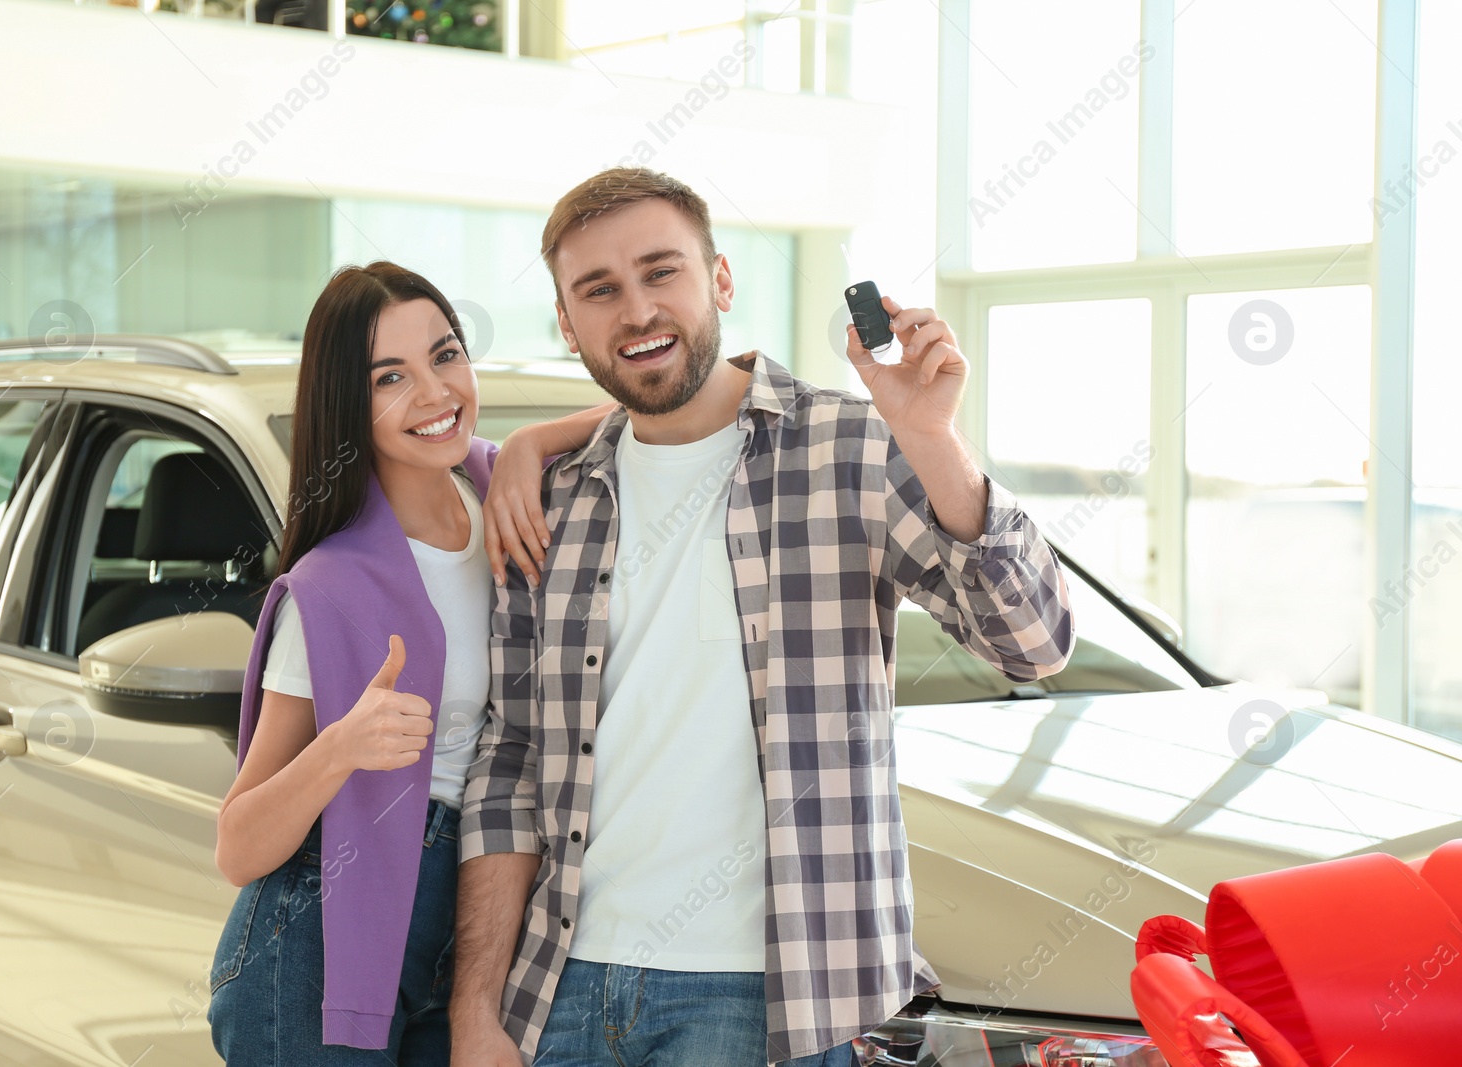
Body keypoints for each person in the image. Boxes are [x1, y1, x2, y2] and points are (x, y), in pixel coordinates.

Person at [451, 169, 1077, 1067]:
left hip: (765, 1001)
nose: (637, 311)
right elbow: (507, 763)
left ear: (722, 282)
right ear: (566, 321)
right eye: (600, 290)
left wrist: (935, 441)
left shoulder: (847, 449)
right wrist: (478, 1010)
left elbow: (1035, 642)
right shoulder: (548, 497)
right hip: (561, 992)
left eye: (661, 272)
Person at [206, 261, 612, 1065]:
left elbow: (651, 410)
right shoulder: (331, 587)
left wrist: (534, 437)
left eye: (446, 355)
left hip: (482, 901)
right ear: (348, 405)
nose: (434, 392)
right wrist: (340, 748)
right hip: (322, 934)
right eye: (391, 376)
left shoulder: (501, 487)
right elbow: (238, 846)